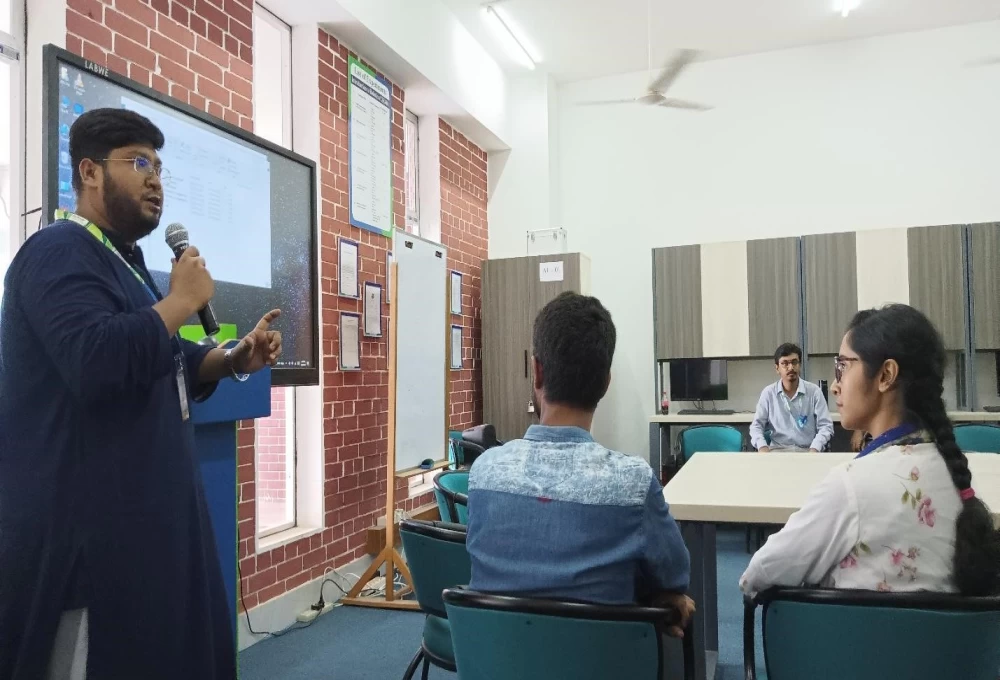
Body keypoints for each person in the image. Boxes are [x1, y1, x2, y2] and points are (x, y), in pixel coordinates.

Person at [0, 109, 282, 679]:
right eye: (138, 162)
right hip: (90, 547)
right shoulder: (57, 251)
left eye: (158, 166)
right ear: (90, 172)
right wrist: (179, 302)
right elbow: (95, 360)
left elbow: (165, 358)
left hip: (149, 529)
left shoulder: (124, 261)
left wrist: (233, 359)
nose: (155, 179)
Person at [466, 292, 694, 637]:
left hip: (491, 657)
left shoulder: (484, 472)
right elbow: (675, 576)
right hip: (604, 660)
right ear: (605, 383)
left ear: (536, 371)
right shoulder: (634, 484)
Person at [740, 305, 1000, 596]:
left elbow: (756, 576)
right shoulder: (959, 479)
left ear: (886, 375)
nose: (835, 386)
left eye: (842, 367)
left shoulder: (850, 487)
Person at [749, 342, 834, 452]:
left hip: (807, 452)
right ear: (777, 368)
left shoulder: (814, 392)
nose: (791, 367)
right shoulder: (769, 393)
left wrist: (815, 448)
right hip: (777, 452)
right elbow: (756, 426)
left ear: (800, 365)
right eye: (785, 363)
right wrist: (762, 447)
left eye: (794, 362)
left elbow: (826, 426)